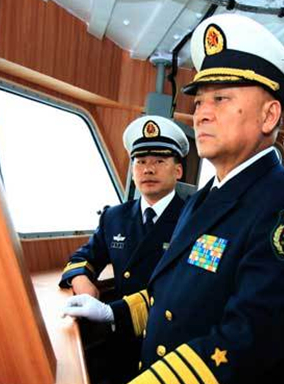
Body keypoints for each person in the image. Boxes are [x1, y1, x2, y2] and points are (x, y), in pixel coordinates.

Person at [24, 14, 284, 384]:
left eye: (222, 98)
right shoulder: (205, 197)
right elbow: (176, 293)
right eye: (200, 100)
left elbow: (251, 340)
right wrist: (114, 315)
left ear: (270, 114)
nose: (202, 113)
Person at [59, 115, 188, 299]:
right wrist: (82, 282)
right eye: (140, 162)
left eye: (159, 161)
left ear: (178, 171)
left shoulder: (193, 218)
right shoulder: (114, 217)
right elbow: (84, 258)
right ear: (133, 173)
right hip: (118, 316)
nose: (148, 169)